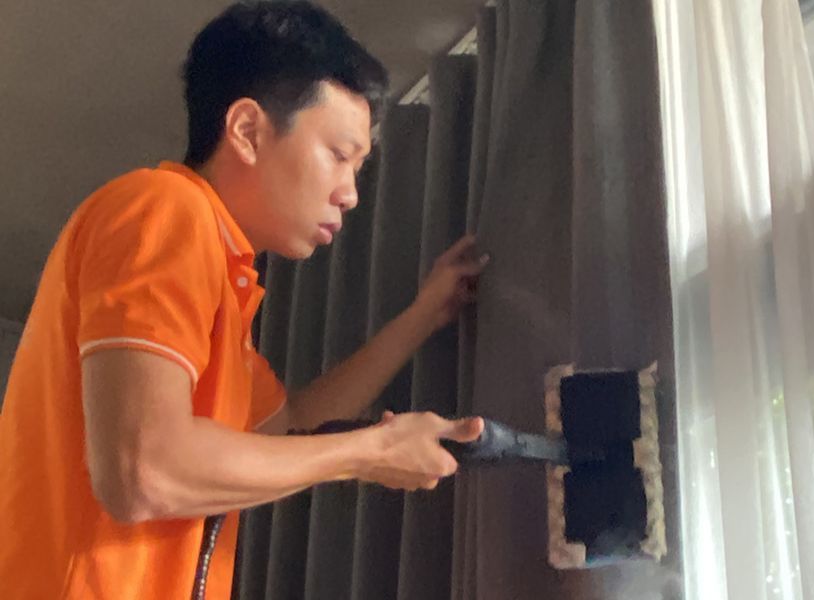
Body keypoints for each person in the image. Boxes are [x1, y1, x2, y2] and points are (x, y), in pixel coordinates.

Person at [0, 2, 486, 598]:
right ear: (248, 131)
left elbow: (291, 428)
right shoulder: (165, 208)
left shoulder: (226, 287)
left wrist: (423, 316)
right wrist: (371, 450)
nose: (351, 194)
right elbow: (142, 470)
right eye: (339, 155)